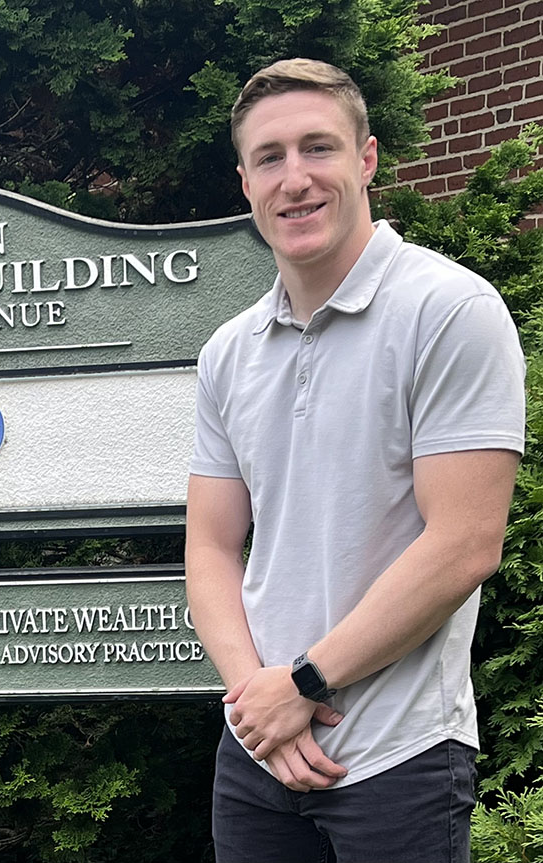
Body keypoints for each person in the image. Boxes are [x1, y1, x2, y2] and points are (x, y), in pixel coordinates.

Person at [185, 58, 525, 863]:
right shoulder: (228, 352)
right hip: (258, 754)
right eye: (270, 157)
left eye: (318, 148)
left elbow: (465, 543)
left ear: (366, 159)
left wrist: (302, 683)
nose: (295, 178)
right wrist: (256, 705)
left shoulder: (450, 311)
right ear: (245, 181)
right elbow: (209, 544)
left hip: (399, 757)